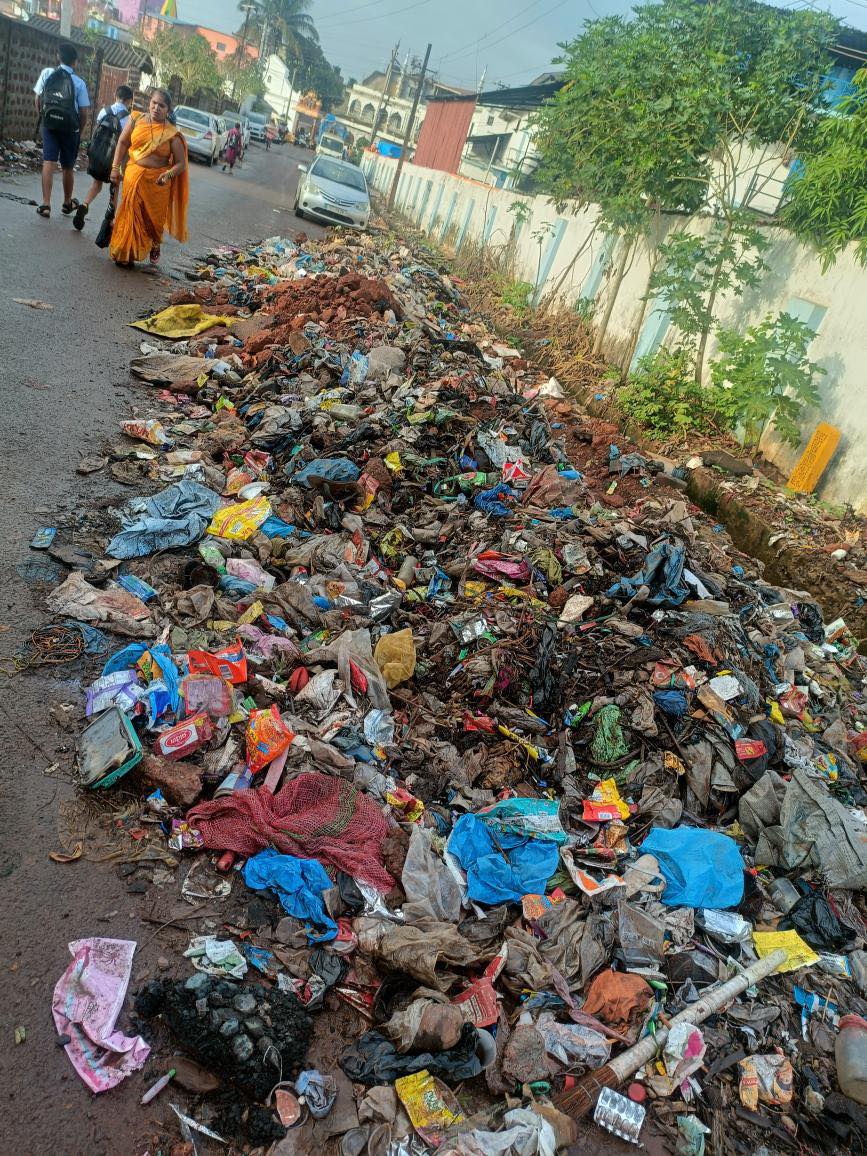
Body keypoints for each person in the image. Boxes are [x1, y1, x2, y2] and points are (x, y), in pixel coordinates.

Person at [108, 87, 188, 269]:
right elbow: (122, 142)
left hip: (157, 183)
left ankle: (155, 242)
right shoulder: (135, 119)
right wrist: (114, 167)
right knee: (130, 214)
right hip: (133, 175)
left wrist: (167, 175)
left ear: (168, 110)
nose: (156, 108)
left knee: (152, 221)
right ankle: (125, 252)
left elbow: (181, 164)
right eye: (154, 103)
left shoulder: (172, 134)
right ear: (148, 103)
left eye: (162, 106)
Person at [33, 42, 90, 219]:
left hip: (50, 125)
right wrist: (78, 132)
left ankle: (46, 204)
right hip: (70, 129)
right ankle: (67, 202)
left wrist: (45, 119)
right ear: (75, 62)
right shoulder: (79, 83)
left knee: (48, 162)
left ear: (58, 57)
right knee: (67, 167)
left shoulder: (47, 73)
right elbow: (83, 112)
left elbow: (37, 99)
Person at [73, 84, 134, 231]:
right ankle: (110, 220)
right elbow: (126, 143)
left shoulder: (104, 111)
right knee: (114, 189)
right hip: (114, 160)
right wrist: (123, 166)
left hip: (99, 155)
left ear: (115, 95)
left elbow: (96, 132)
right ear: (129, 101)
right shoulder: (129, 119)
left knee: (96, 184)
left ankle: (85, 204)